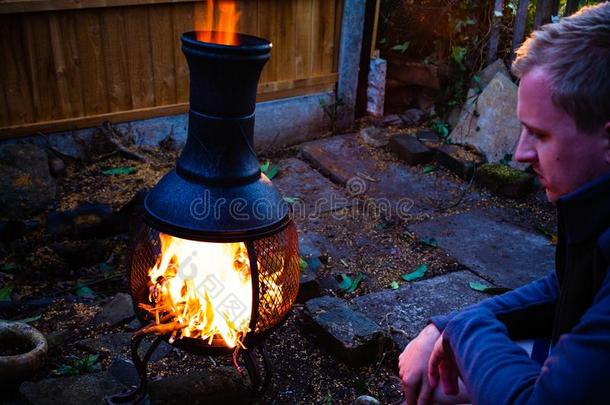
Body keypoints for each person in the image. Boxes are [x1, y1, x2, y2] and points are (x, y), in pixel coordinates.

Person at [398, 3, 610, 404]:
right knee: (439, 376)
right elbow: (568, 288)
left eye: (539, 135)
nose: (519, 154)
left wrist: (464, 332)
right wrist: (450, 323)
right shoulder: (594, 203)